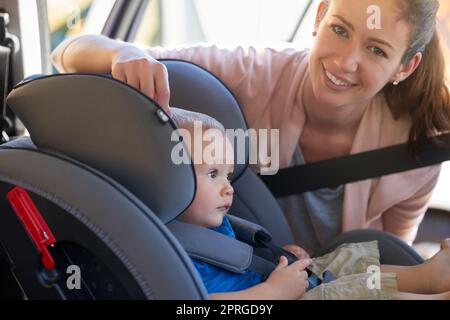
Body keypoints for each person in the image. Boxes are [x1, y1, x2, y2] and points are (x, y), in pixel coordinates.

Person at [51, 0, 450, 253]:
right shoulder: (253, 74)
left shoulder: (416, 149)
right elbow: (66, 53)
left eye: (376, 49)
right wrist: (125, 53)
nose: (345, 62)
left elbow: (390, 255)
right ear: (319, 14)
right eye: (340, 29)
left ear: (406, 66)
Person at [170, 107, 450, 300]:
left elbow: (241, 258)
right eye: (212, 174)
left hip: (278, 283)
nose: (228, 187)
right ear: (168, 181)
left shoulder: (210, 223)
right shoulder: (173, 253)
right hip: (273, 295)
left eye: (228, 175)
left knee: (344, 263)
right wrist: (273, 293)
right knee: (349, 292)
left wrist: (277, 255)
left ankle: (425, 278)